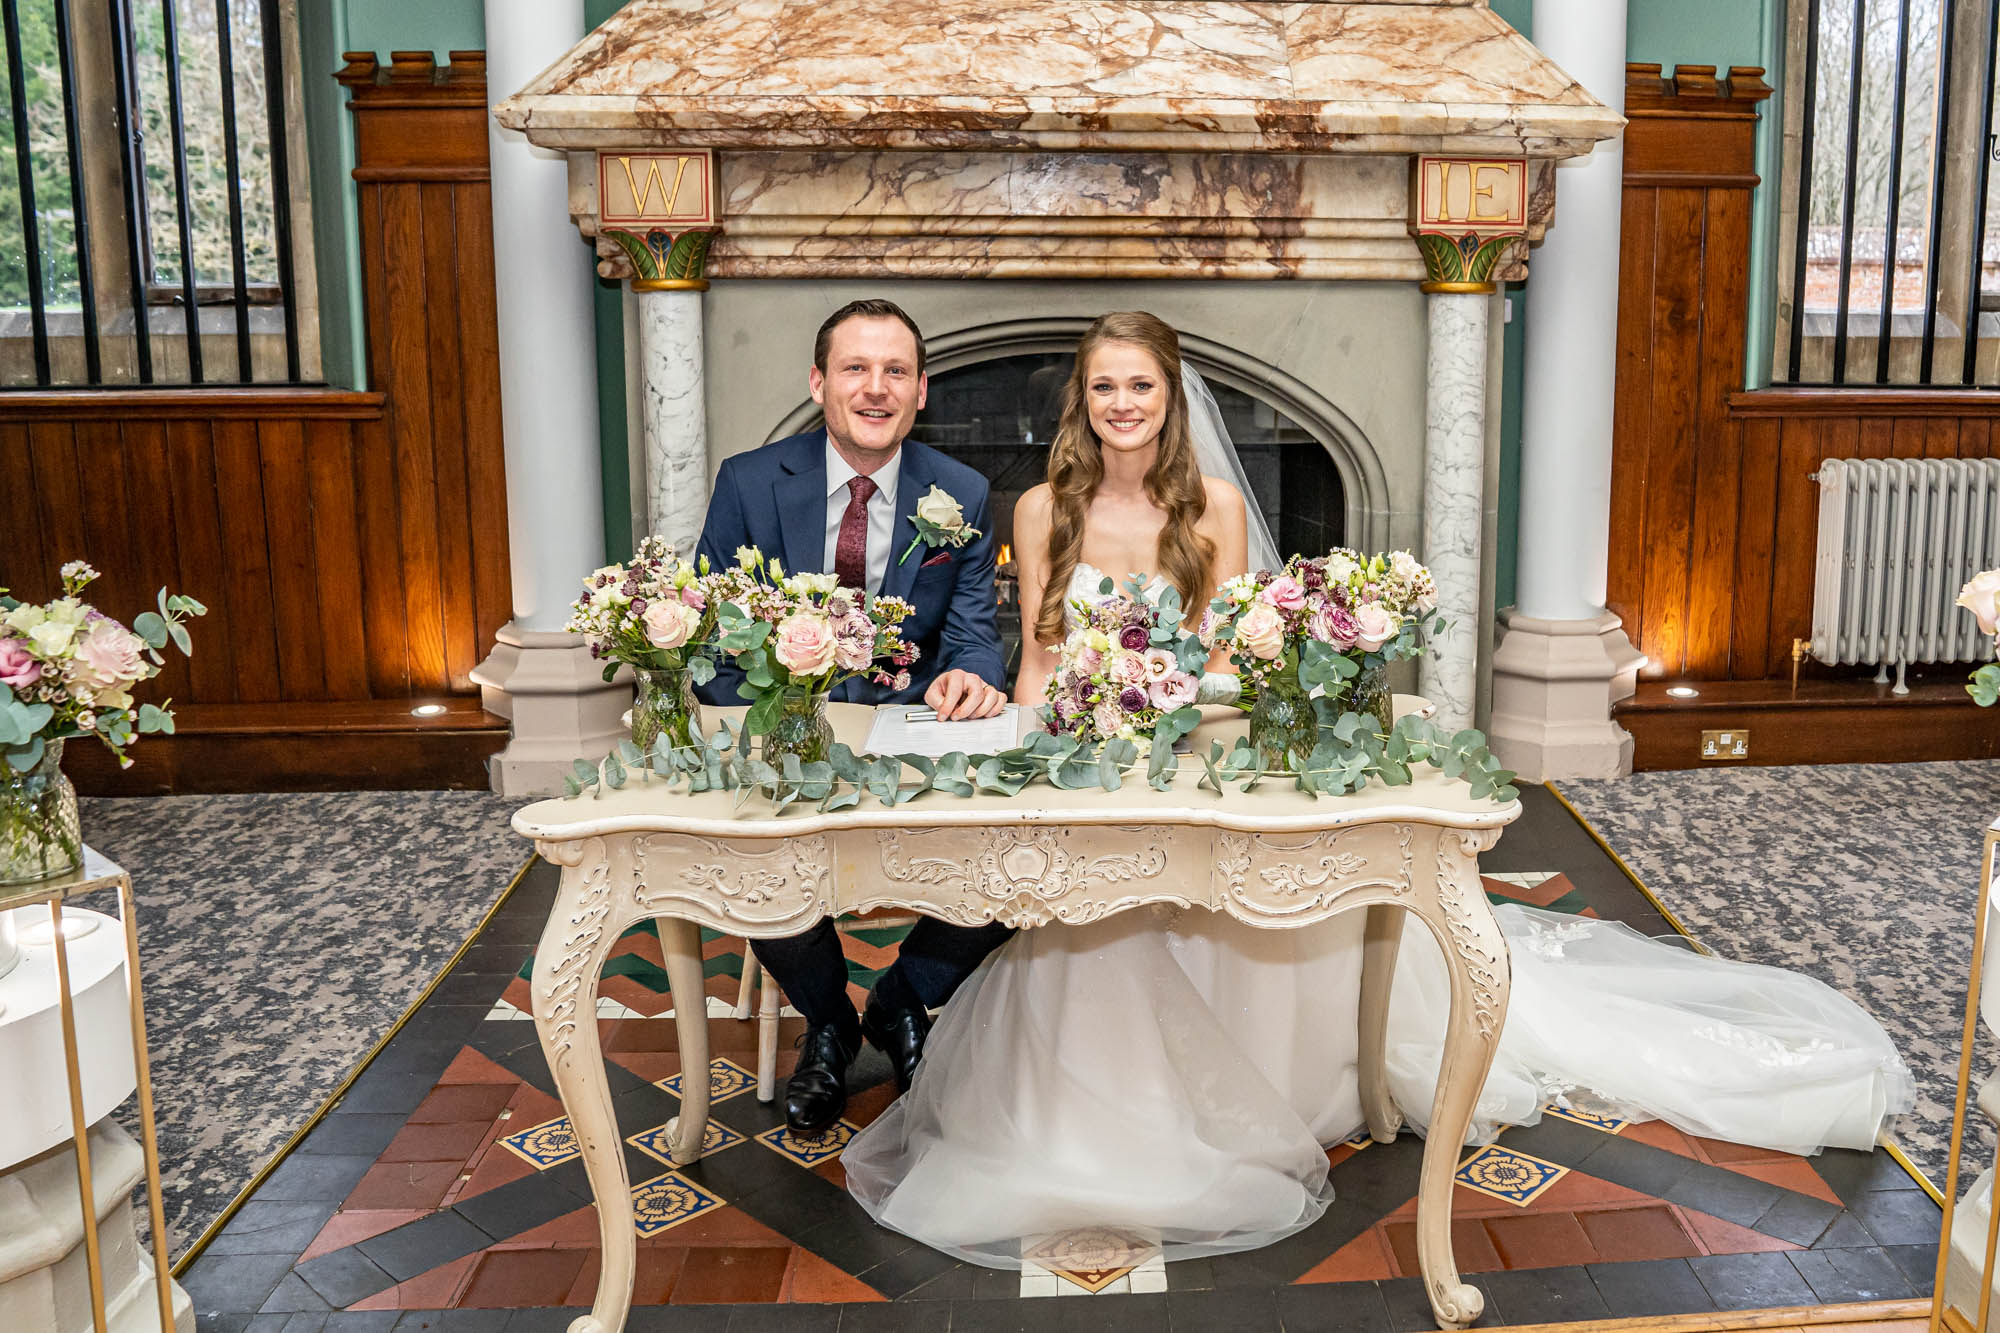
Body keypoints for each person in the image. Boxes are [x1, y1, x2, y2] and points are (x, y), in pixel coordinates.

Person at [839, 311, 1914, 1269]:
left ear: (1170, 398)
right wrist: (1041, 758)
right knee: (1074, 916)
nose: (1122, 404)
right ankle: (1071, 1112)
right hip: (1082, 761)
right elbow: (1038, 657)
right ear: (1081, 400)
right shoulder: (1041, 508)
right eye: (1104, 386)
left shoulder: (1214, 506)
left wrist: (1157, 714)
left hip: (1186, 751)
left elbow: (1231, 665)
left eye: (1141, 385)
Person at [693, 298, 1013, 1136]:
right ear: (818, 382)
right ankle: (829, 1019)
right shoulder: (749, 483)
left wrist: (973, 679)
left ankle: (902, 997)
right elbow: (713, 647)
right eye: (856, 368)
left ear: (921, 391)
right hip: (786, 739)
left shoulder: (962, 492)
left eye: (896, 371)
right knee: (755, 863)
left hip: (911, 742)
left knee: (1026, 861)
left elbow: (974, 637)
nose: (877, 388)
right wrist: (774, 731)